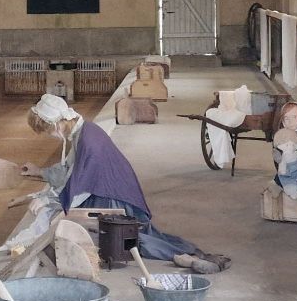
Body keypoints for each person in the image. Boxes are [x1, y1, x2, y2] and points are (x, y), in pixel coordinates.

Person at [20, 94, 228, 269]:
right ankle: (192, 254)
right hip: (111, 190)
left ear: (57, 123)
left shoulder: (88, 141)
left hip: (112, 197)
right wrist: (40, 172)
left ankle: (185, 257)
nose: (49, 135)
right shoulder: (83, 131)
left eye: (47, 130)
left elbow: (80, 185)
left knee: (125, 237)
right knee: (138, 233)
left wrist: (49, 200)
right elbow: (72, 170)